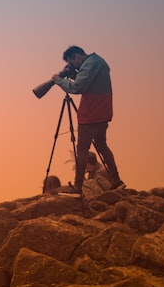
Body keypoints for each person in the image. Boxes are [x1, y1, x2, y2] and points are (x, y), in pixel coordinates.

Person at [52, 45, 124, 194]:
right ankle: (116, 180)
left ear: (77, 56)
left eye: (72, 62)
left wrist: (59, 80)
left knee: (82, 150)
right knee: (102, 145)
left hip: (90, 114)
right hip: (103, 112)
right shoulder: (99, 61)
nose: (73, 65)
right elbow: (91, 81)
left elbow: (78, 88)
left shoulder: (89, 64)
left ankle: (78, 186)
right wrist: (76, 74)